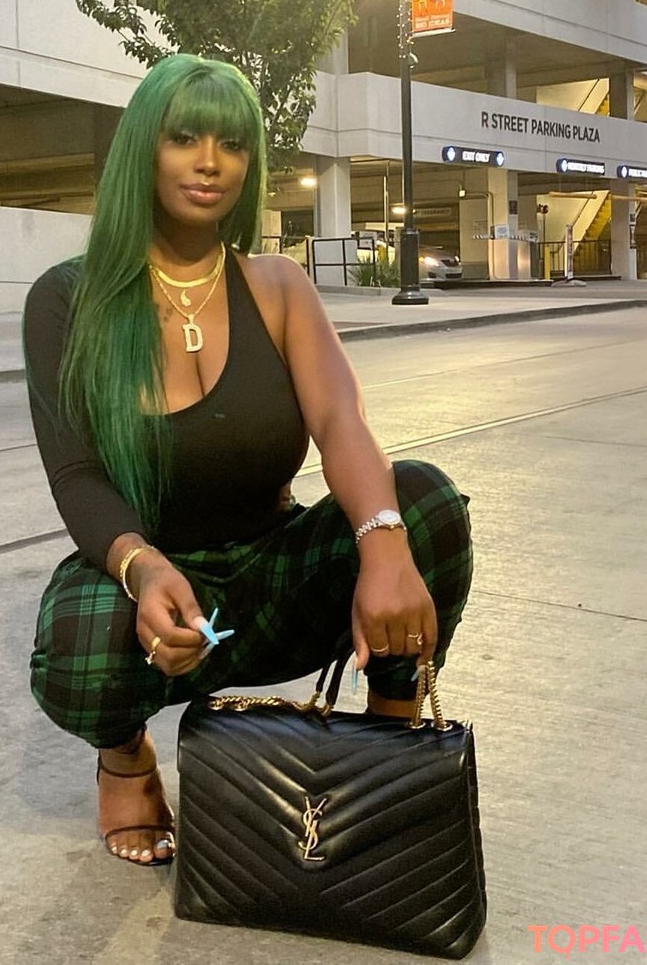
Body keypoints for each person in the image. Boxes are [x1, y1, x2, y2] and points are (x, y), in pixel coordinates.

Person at [23, 53, 472, 867]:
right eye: (184, 138)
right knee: (78, 638)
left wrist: (382, 545)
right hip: (163, 592)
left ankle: (385, 747)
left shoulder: (276, 284)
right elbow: (75, 473)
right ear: (142, 150)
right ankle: (126, 758)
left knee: (423, 505)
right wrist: (142, 568)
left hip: (273, 577)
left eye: (231, 144)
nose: (209, 162)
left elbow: (339, 418)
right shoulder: (68, 299)